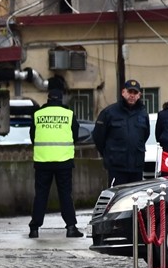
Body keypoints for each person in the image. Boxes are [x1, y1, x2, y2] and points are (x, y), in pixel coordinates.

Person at [27, 80, 82, 239]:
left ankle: (34, 228)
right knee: (65, 195)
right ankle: (71, 228)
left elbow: (33, 137)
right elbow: (75, 136)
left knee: (40, 195)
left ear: (48, 98)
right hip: (63, 161)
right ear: (61, 99)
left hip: (42, 161)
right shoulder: (69, 114)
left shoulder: (38, 114)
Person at [92, 79, 148, 185]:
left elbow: (145, 135)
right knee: (117, 199)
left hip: (136, 167)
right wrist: (109, 155)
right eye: (129, 92)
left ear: (139, 95)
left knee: (135, 199)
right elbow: (98, 136)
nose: (132, 95)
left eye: (135, 93)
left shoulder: (143, 114)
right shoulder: (109, 112)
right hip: (116, 167)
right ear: (123, 92)